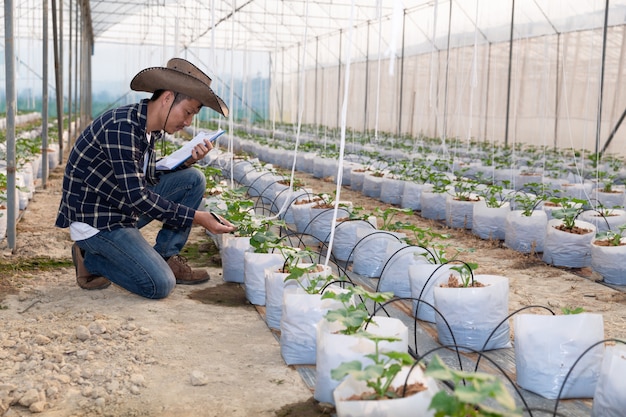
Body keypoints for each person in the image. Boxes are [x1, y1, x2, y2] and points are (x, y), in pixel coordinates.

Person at [56, 58, 236, 299]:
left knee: (192, 179)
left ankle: (164, 256)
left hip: (119, 206)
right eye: (188, 112)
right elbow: (139, 197)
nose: (187, 122)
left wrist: (189, 160)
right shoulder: (122, 128)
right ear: (167, 99)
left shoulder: (146, 129)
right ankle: (90, 259)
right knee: (159, 284)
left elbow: (144, 179)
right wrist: (198, 217)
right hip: (97, 221)